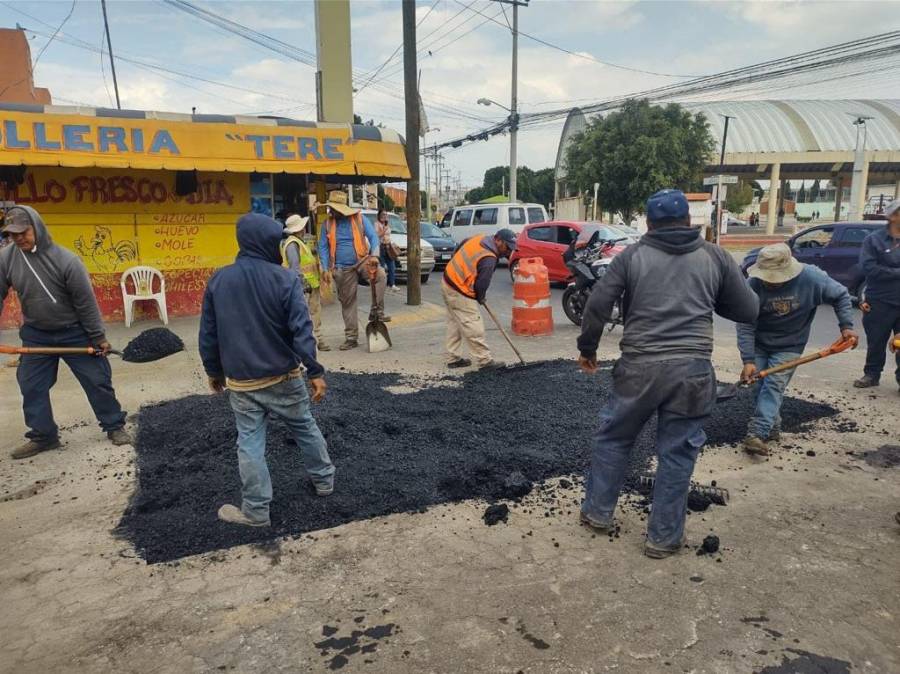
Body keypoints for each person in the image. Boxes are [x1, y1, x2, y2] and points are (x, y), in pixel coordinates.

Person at [577, 189, 758, 559]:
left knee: (613, 439)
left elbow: (597, 303)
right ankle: (662, 538)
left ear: (648, 222)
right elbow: (748, 309)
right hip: (691, 373)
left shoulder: (631, 257)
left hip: (638, 369)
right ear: (689, 221)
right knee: (677, 453)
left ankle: (597, 514)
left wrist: (588, 349)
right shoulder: (716, 257)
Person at [199, 212, 335, 528]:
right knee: (304, 425)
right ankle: (325, 482)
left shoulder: (219, 280)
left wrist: (214, 371)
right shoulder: (285, 279)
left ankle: (257, 512)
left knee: (249, 442)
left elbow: (209, 333)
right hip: (283, 377)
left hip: (243, 383)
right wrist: (314, 371)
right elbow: (302, 331)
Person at [0, 205, 131, 459]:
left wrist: (98, 337)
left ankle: (114, 425)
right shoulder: (6, 258)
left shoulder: (66, 260)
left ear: (36, 227)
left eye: (23, 232)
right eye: (12, 234)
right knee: (31, 384)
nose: (18, 238)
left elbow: (86, 302)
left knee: (97, 380)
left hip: (75, 331)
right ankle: (44, 435)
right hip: (36, 333)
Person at [737, 243, 857, 456]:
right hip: (759, 343)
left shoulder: (812, 278)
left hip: (790, 344)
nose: (769, 282)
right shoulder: (753, 285)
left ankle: (756, 433)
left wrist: (846, 326)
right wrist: (748, 360)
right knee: (758, 386)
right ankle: (772, 428)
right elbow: (745, 324)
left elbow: (841, 296)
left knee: (773, 385)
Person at [317, 190, 388, 351]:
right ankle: (351, 337)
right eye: (331, 209)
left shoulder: (359, 219)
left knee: (381, 275)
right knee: (348, 303)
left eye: (333, 209)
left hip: (362, 260)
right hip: (342, 268)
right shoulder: (327, 224)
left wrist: (375, 256)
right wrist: (326, 267)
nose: (331, 211)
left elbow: (374, 238)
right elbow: (322, 246)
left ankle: (376, 311)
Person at [442, 229, 518, 371]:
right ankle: (484, 361)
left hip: (448, 280)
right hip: (459, 289)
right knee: (473, 323)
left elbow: (460, 246)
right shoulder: (489, 258)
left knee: (455, 322)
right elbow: (481, 284)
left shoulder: (480, 238)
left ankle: (452, 358)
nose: (507, 251)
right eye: (506, 247)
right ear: (498, 240)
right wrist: (480, 296)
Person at [853, 199, 900, 391]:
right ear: (893, 216)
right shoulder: (874, 240)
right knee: (876, 340)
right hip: (879, 301)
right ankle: (872, 375)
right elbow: (869, 268)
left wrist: (890, 270)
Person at [283, 214, 329, 352]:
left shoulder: (298, 242)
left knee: (314, 313)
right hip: (303, 286)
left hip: (310, 285)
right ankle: (311, 342)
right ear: (299, 229)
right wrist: (303, 285)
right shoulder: (293, 245)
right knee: (306, 315)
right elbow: (294, 267)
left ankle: (317, 340)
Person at [375, 208, 398, 293]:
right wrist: (384, 230)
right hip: (381, 247)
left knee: (392, 266)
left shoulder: (387, 225)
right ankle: (381, 285)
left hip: (388, 247)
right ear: (379, 215)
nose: (384, 216)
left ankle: (392, 284)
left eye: (385, 215)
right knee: (381, 267)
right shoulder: (376, 224)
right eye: (383, 214)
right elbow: (377, 235)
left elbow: (388, 235)